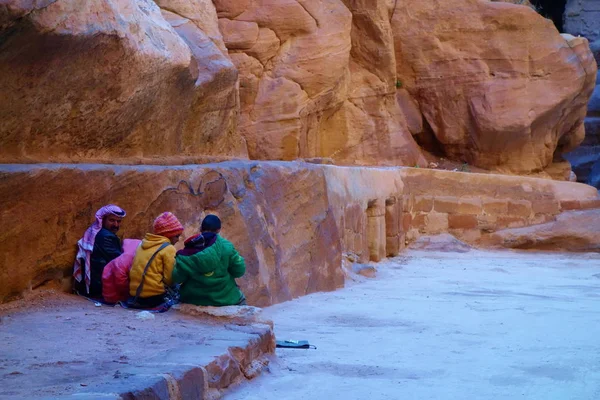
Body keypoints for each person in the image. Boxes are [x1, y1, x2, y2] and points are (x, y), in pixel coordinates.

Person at [173, 214, 246, 306]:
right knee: (241, 299)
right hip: (226, 298)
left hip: (193, 298)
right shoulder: (227, 247)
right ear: (218, 230)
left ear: (201, 229)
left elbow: (177, 278)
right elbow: (239, 271)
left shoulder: (189, 249)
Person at [128, 212, 183, 308]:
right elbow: (170, 279)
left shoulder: (142, 244)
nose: (178, 240)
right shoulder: (168, 248)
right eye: (177, 236)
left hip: (134, 295)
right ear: (168, 235)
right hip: (153, 297)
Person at [73, 204, 126, 298]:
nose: (116, 225)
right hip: (99, 285)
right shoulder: (105, 236)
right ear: (103, 220)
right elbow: (119, 260)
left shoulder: (97, 232)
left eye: (118, 221)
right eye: (112, 220)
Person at [101, 238, 141, 304]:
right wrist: (129, 291)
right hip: (114, 293)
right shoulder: (128, 258)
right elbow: (120, 277)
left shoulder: (130, 253)